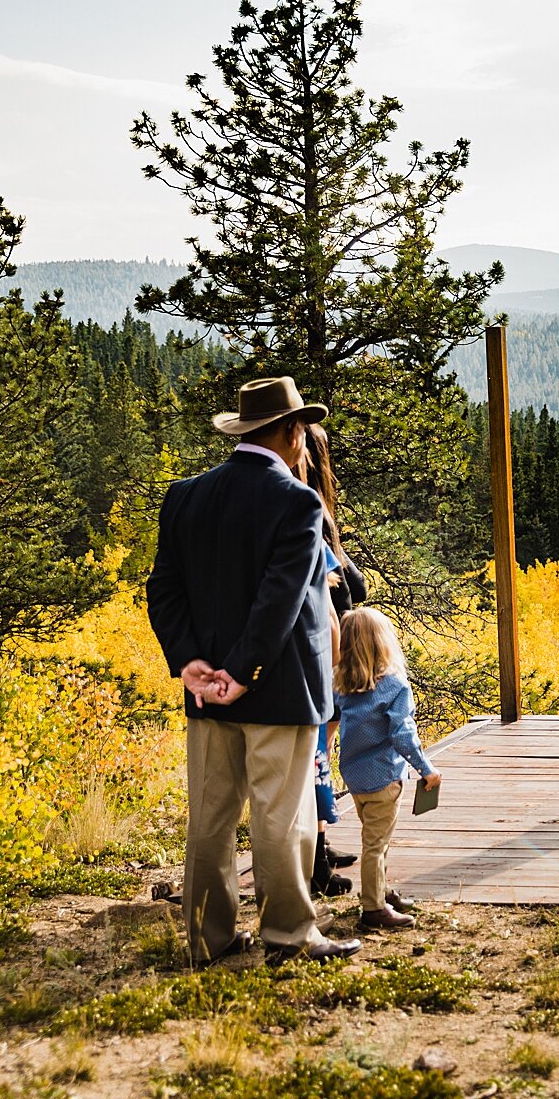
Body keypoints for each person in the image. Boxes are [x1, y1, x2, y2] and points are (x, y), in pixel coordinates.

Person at [145, 376, 362, 965]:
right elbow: (280, 599)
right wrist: (244, 671)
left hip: (206, 692)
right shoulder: (297, 501)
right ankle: (288, 934)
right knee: (280, 812)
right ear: (292, 433)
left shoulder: (185, 496)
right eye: (302, 434)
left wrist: (192, 664)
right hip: (280, 687)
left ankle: (207, 938)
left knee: (210, 819)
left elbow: (163, 590)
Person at [335, 606, 441, 931]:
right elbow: (403, 735)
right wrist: (426, 769)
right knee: (375, 844)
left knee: (376, 838)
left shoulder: (343, 686)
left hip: (354, 778)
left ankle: (381, 889)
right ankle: (373, 909)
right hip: (383, 778)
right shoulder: (394, 686)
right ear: (383, 644)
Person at [297, 423, 363, 897]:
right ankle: (316, 854)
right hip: (325, 648)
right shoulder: (307, 507)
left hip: (329, 645)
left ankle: (321, 839)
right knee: (316, 754)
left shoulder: (316, 512)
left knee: (321, 750)